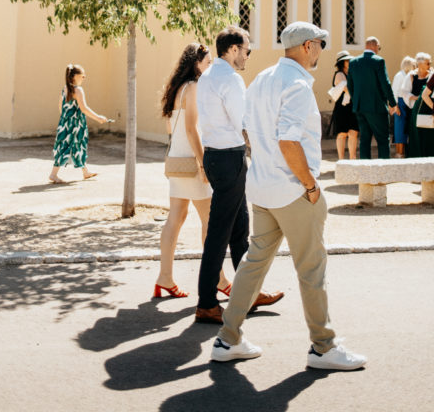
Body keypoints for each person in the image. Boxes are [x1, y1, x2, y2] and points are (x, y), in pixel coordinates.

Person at [210, 22, 367, 372]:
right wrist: (310, 185)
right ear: (309, 46)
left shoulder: (263, 78)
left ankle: (227, 338)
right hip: (293, 191)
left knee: (254, 263)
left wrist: (267, 165)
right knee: (312, 268)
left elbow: (249, 129)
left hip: (263, 188)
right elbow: (289, 141)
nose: (322, 51)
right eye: (320, 45)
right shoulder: (296, 85)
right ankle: (323, 347)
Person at [194, 26, 283, 324]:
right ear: (232, 49)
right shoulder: (230, 79)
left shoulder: (206, 76)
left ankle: (250, 291)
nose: (248, 55)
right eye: (247, 49)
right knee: (220, 233)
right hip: (229, 158)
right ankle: (206, 302)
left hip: (215, 156)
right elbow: (243, 121)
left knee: (239, 229)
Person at [154, 43, 232, 299]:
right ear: (196, 63)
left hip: (177, 160)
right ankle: (219, 279)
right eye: (207, 63)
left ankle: (165, 277)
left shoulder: (176, 88)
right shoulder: (195, 87)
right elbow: (191, 129)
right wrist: (202, 163)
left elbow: (171, 128)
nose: (209, 68)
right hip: (191, 161)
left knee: (175, 218)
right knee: (210, 220)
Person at [49, 63, 107, 183]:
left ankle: (85, 172)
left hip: (65, 123)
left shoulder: (65, 89)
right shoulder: (78, 90)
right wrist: (98, 117)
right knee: (71, 146)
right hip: (76, 124)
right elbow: (84, 108)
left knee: (75, 146)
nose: (84, 78)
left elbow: (60, 106)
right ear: (75, 76)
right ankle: (53, 174)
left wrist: (65, 119)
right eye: (82, 75)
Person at [346, 36, 396, 159]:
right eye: (379, 47)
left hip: (360, 107)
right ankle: (384, 171)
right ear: (374, 46)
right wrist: (393, 103)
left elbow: (350, 85)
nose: (379, 50)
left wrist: (356, 100)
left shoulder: (353, 62)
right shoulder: (378, 61)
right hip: (377, 106)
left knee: (364, 140)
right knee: (383, 139)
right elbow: (385, 83)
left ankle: (365, 169)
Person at [403, 51, 434, 158]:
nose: (430, 66)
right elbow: (404, 92)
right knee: (416, 136)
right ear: (419, 64)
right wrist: (417, 98)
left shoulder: (432, 76)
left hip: (428, 109)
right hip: (415, 110)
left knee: (429, 136)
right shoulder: (411, 76)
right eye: (427, 63)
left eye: (430, 63)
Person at [328, 50, 359, 159]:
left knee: (353, 133)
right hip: (342, 108)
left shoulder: (352, 73)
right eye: (347, 60)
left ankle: (352, 158)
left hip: (352, 106)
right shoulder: (339, 74)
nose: (349, 61)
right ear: (342, 62)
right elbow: (346, 88)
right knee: (342, 134)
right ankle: (341, 159)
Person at [392, 56, 416, 156]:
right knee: (399, 128)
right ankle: (399, 152)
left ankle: (404, 152)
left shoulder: (411, 75)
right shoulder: (399, 75)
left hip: (407, 103)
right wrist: (395, 106)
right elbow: (394, 91)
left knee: (405, 128)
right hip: (400, 103)